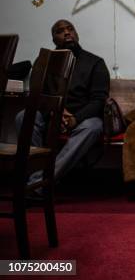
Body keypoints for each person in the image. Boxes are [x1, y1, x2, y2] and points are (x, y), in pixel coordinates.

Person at [16, 19, 110, 186]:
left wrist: (75, 118)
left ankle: (38, 183)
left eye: (70, 28)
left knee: (93, 127)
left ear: (76, 34)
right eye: (60, 31)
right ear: (54, 40)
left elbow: (98, 100)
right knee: (23, 117)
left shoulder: (95, 62)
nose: (67, 32)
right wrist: (53, 113)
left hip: (81, 118)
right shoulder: (45, 61)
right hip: (50, 115)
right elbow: (37, 95)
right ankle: (37, 178)